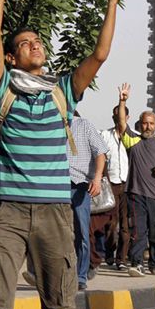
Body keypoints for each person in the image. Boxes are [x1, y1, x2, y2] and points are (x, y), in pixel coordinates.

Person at [0, 0, 123, 309]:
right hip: (9, 213)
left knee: (60, 308)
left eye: (39, 41)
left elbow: (99, 55)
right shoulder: (3, 91)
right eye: (25, 44)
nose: (35, 45)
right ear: (12, 59)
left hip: (55, 213)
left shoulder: (62, 92)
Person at [117, 83, 155, 277]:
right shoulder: (133, 141)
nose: (148, 127)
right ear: (139, 124)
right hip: (137, 194)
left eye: (151, 123)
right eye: (145, 123)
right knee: (138, 231)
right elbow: (121, 124)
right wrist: (122, 101)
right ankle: (136, 264)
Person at [68, 114, 109, 291]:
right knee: (50, 232)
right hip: (53, 184)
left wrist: (97, 178)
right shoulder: (49, 123)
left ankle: (81, 276)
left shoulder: (84, 125)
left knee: (82, 233)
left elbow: (100, 152)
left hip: (79, 185)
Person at [96, 106, 131, 271]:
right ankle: (109, 252)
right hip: (111, 185)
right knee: (111, 223)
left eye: (121, 116)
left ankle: (121, 259)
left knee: (126, 224)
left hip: (129, 186)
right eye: (115, 116)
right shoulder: (104, 136)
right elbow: (99, 158)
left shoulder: (133, 137)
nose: (118, 119)